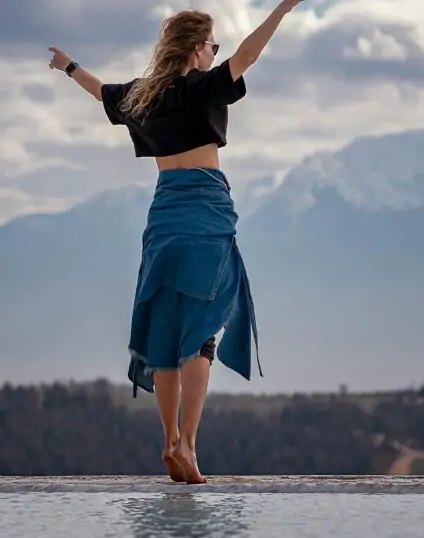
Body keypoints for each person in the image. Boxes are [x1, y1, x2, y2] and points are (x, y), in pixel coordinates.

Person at [48, 1, 306, 484]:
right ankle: (188, 445)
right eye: (212, 46)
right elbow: (249, 55)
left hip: (164, 217)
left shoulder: (142, 96)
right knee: (202, 332)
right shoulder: (203, 85)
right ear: (196, 50)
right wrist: (283, 9)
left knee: (164, 330)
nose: (216, 54)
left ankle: (167, 441)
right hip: (206, 211)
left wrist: (68, 66)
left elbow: (98, 90)